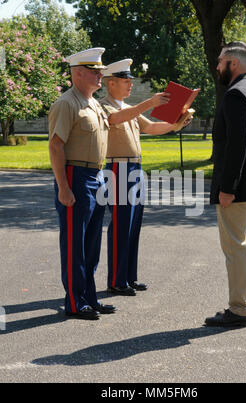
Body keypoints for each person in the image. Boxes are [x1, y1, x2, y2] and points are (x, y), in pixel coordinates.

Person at [49, 49, 170, 319]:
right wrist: (64, 187)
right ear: (78, 73)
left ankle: (89, 298)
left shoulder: (90, 103)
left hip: (96, 176)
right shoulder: (67, 103)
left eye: (100, 71)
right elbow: (56, 146)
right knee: (74, 244)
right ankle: (74, 302)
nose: (99, 75)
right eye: (94, 71)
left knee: (91, 245)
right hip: (75, 176)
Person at [100, 59, 191, 296]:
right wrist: (149, 102)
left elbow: (150, 127)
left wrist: (174, 125)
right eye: (125, 80)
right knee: (121, 226)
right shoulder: (104, 106)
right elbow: (115, 120)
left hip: (135, 169)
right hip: (117, 168)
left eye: (130, 80)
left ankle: (129, 277)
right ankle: (117, 281)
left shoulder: (126, 106)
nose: (131, 84)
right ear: (111, 83)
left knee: (133, 225)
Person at [205, 42, 246, 328]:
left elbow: (237, 146)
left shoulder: (234, 95)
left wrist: (227, 187)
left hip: (238, 186)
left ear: (233, 63)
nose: (217, 66)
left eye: (220, 62)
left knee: (236, 249)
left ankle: (240, 310)